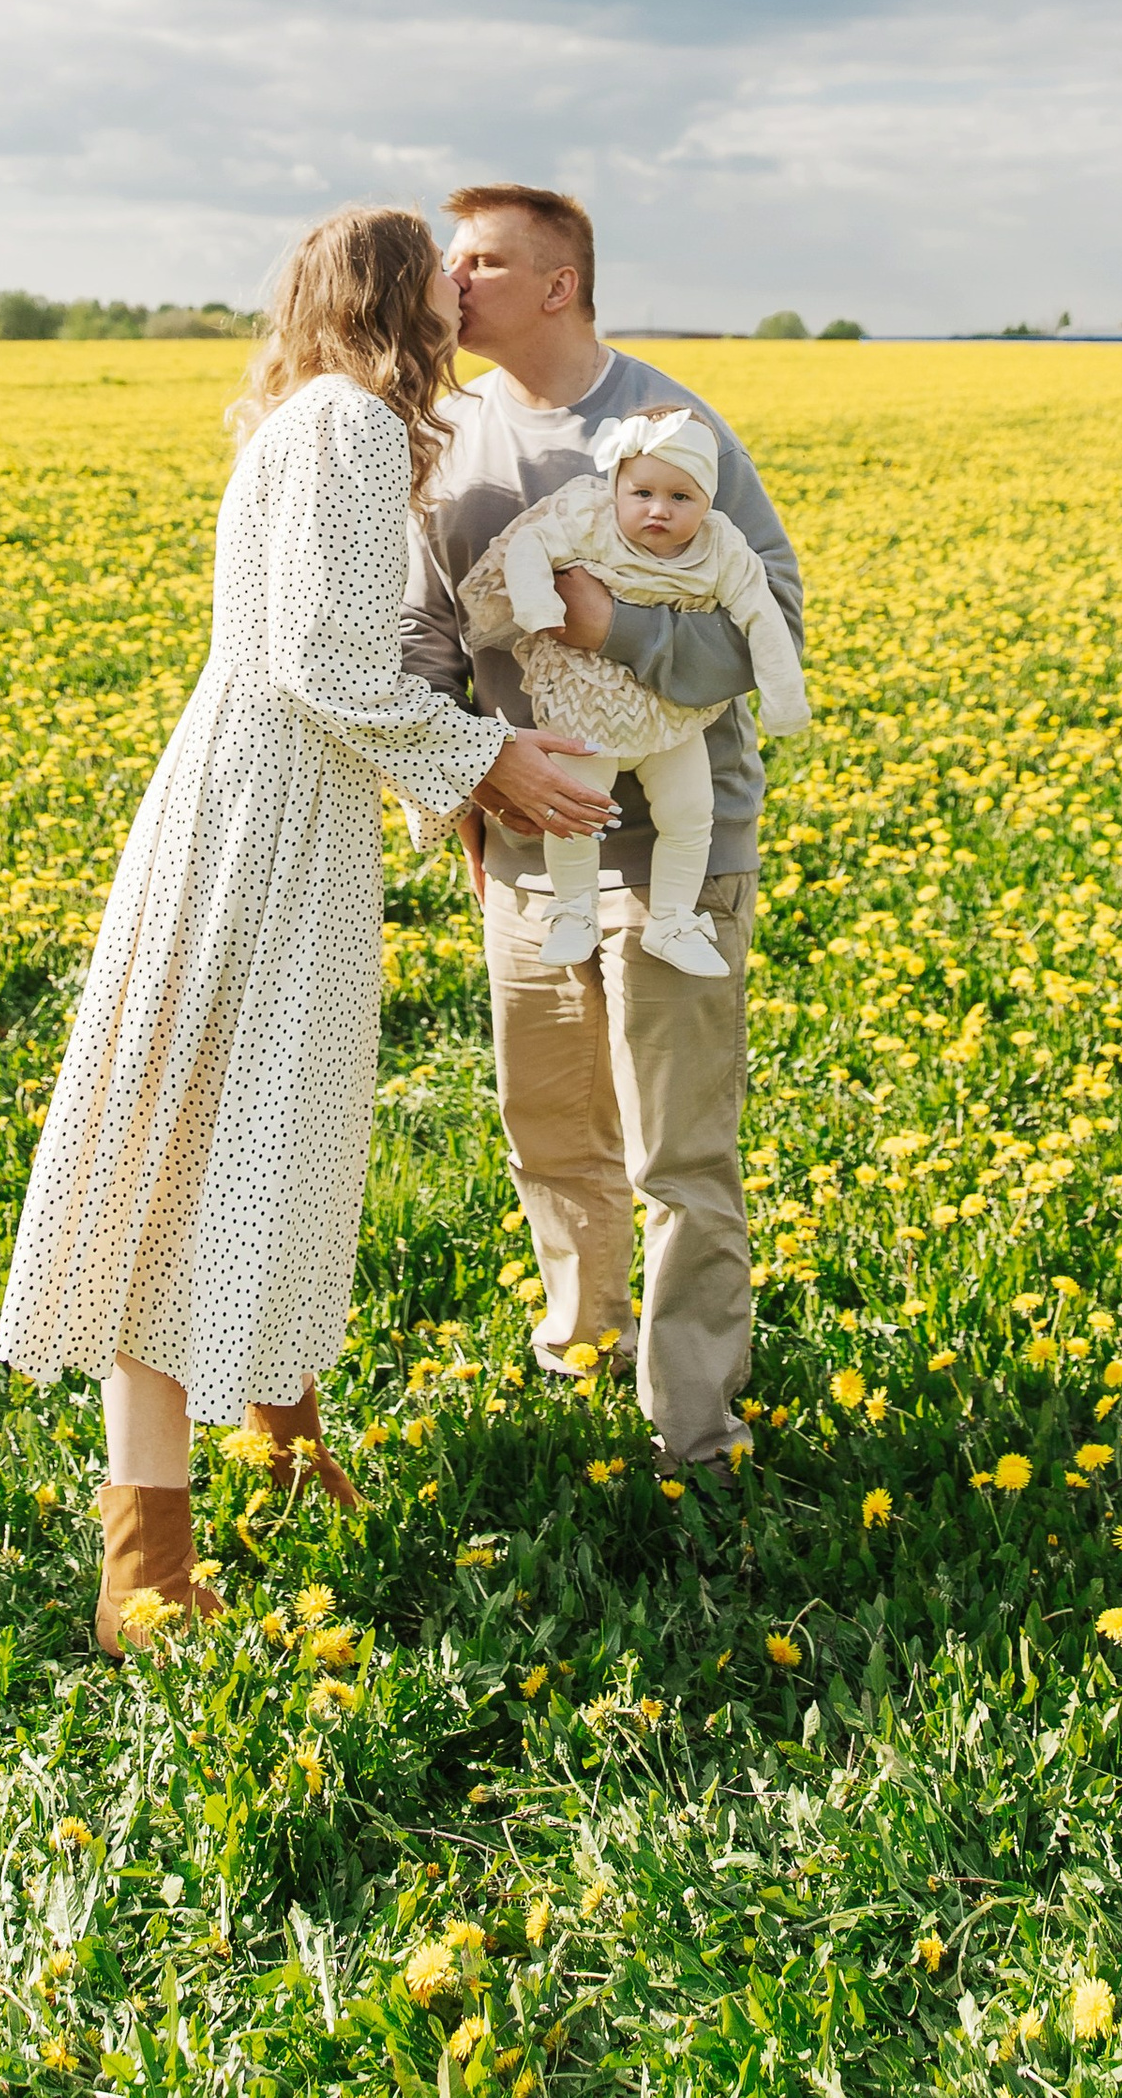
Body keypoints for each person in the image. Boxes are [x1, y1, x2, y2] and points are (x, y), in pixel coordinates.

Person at [0, 203, 606, 1647]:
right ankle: (145, 1572)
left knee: (273, 1127)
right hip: (265, 818)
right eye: (439, 267)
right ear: (396, 293)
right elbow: (323, 663)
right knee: (203, 1152)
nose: (461, 285)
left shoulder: (317, 416)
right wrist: (489, 763)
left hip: (271, 802)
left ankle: (277, 1443)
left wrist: (452, 778)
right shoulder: (347, 428)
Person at [401, 187, 804, 1476]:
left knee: (678, 1154)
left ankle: (695, 1432)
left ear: (558, 284)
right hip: (525, 848)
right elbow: (425, 636)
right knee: (549, 1128)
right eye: (450, 259)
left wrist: (611, 628)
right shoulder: (449, 436)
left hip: (679, 849)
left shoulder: (671, 427)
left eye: (482, 261)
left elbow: (770, 620)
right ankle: (583, 1349)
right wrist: (465, 783)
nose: (452, 282)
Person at [454, 408, 807, 976]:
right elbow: (529, 545)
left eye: (681, 497)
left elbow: (763, 617)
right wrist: (539, 606)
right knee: (575, 811)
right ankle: (575, 910)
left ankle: (671, 920)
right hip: (588, 704)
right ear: (616, 487)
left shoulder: (720, 548)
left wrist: (785, 702)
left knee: (691, 815)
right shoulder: (589, 517)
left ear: (708, 501)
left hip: (674, 713)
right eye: (642, 493)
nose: (658, 510)